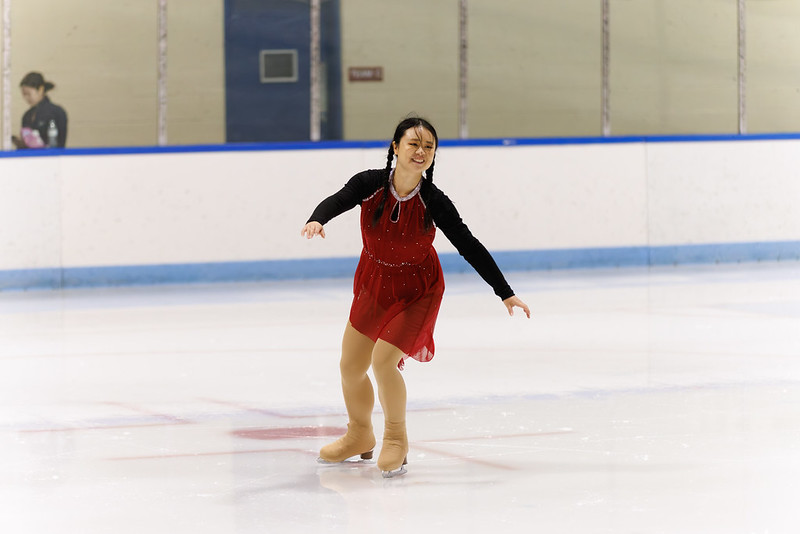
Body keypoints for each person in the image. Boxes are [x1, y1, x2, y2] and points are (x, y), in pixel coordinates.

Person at [301, 116, 530, 478]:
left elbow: (468, 244)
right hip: (374, 283)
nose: (421, 151)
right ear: (395, 147)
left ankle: (396, 438)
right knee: (350, 366)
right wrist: (318, 219)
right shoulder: (369, 184)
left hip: (417, 291)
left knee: (383, 363)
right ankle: (359, 434)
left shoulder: (433, 201)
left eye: (428, 146)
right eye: (413, 143)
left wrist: (505, 292)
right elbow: (339, 199)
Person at [12, 72, 68, 149]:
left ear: (40, 90)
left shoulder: (55, 112)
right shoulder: (27, 115)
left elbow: (56, 141)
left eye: (29, 94)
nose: (26, 98)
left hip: (50, 155)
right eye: (24, 94)